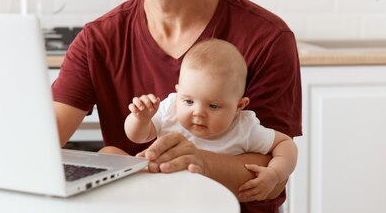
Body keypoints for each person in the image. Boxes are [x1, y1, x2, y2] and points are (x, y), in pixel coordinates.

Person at [51, 0, 301, 213]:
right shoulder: (98, 39)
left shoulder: (267, 38)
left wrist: (195, 162)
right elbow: (43, 142)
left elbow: (272, 170)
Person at [124, 39, 298, 201]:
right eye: (189, 101)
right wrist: (140, 119)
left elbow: (285, 144)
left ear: (239, 106)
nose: (198, 113)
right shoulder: (170, 109)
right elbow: (138, 137)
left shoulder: (243, 128)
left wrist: (275, 173)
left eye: (213, 106)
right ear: (178, 92)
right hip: (166, 200)